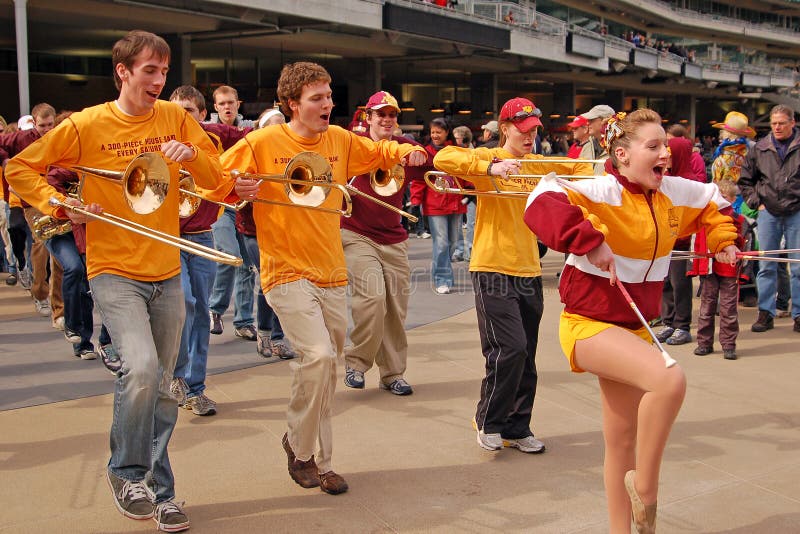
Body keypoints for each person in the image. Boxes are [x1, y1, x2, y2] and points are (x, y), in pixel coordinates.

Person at [5, 30, 225, 532]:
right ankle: (126, 473)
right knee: (143, 368)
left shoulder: (175, 116)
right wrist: (62, 203)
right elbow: (21, 169)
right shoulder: (86, 124)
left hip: (166, 267)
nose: (159, 81)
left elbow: (217, 182)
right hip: (113, 269)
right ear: (123, 72)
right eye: (150, 70)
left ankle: (161, 489)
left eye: (165, 72)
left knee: (165, 386)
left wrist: (194, 156)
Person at [523, 109, 739, 533]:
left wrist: (722, 241)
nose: (666, 155)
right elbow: (540, 199)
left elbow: (717, 203)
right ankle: (648, 487)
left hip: (635, 325)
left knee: (621, 441)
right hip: (587, 323)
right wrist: (588, 240)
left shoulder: (673, 191)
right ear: (622, 154)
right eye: (653, 146)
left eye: (667, 147)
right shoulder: (600, 189)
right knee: (670, 380)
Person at [225, 62, 427, 495]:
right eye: (318, 98)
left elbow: (380, 151)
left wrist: (409, 151)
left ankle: (322, 459)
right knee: (316, 357)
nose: (328, 104)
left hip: (332, 271)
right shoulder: (260, 142)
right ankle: (300, 449)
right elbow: (217, 180)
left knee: (327, 372)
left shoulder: (339, 140)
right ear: (293, 103)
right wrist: (235, 190)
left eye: (330, 95)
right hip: (284, 270)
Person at [434, 97, 593, 455]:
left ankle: (518, 427)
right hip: (491, 266)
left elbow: (581, 170)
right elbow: (443, 158)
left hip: (528, 270)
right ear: (504, 129)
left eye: (534, 130)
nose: (530, 136)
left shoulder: (536, 164)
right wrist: (492, 167)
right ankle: (488, 420)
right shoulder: (486, 159)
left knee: (527, 355)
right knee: (509, 348)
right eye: (523, 130)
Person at [341, 90, 430, 396]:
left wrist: (423, 156)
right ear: (368, 117)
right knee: (372, 299)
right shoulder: (355, 145)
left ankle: (392, 373)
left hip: (394, 238)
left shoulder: (405, 145)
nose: (387, 119)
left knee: (395, 309)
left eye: (392, 115)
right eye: (381, 114)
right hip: (355, 234)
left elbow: (431, 165)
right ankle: (356, 362)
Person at [739, 104, 800, 333]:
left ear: (792, 123)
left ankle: (798, 314)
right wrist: (757, 203)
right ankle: (765, 313)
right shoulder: (759, 149)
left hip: (796, 212)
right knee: (766, 265)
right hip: (769, 213)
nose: (777, 127)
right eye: (773, 123)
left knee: (797, 266)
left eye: (782, 123)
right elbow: (745, 181)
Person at [655, 137, 707, 346]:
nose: (665, 158)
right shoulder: (663, 178)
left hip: (682, 242)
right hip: (665, 241)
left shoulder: (691, 182)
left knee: (680, 283)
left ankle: (682, 325)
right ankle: (668, 321)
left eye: (670, 154)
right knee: (665, 282)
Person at [410, 117, 466, 293]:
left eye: (438, 132)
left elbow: (466, 173)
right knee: (441, 243)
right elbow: (419, 179)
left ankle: (440, 271)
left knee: (453, 242)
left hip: (455, 201)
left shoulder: (456, 151)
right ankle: (443, 278)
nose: (435, 135)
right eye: (432, 132)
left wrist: (470, 193)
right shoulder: (426, 153)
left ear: (446, 132)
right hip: (434, 204)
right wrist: (415, 202)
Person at [694, 179, 744, 360]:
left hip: (729, 270)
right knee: (706, 307)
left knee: (729, 308)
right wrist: (696, 268)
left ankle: (729, 345)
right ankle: (704, 343)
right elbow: (698, 245)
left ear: (731, 200)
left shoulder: (737, 220)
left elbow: (741, 245)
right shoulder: (703, 220)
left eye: (723, 198)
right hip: (709, 270)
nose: (718, 202)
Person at [579, 104, 616, 174]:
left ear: (606, 120)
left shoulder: (619, 147)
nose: (587, 123)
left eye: (591, 120)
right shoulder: (587, 147)